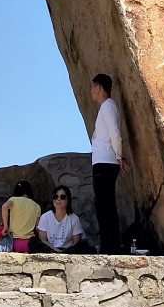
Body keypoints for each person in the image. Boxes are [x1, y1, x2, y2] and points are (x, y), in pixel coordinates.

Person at [90, 73, 131, 254]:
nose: (91, 91)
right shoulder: (105, 108)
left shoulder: (108, 106)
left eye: (92, 87)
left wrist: (119, 156)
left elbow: (115, 132)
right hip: (102, 161)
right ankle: (108, 245)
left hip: (106, 161)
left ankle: (111, 247)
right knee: (102, 206)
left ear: (98, 87)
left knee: (106, 206)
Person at [37, 186, 86, 252]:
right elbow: (43, 240)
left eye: (62, 197)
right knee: (33, 241)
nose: (58, 199)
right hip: (50, 250)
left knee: (82, 245)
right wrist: (56, 251)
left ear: (68, 200)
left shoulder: (74, 219)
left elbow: (76, 243)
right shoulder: (45, 217)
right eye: (55, 196)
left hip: (68, 251)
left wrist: (64, 252)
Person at [1, 181, 40, 253]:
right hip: (29, 244)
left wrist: (5, 226)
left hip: (13, 243)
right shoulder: (36, 206)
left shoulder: (14, 200)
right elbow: (37, 227)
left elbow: (4, 207)